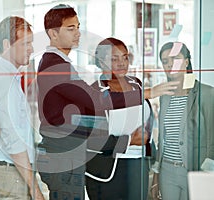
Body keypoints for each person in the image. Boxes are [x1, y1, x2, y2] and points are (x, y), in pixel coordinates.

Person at [36, 4, 179, 200]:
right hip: (70, 158)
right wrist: (148, 93)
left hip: (83, 158)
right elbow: (92, 102)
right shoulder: (56, 65)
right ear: (52, 33)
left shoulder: (62, 63)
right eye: (71, 29)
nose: (78, 33)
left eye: (78, 27)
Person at [85, 37, 155, 200]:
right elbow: (92, 140)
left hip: (138, 165)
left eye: (125, 57)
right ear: (102, 62)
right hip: (108, 171)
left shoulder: (136, 84)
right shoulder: (94, 92)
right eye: (114, 59)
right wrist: (130, 140)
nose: (122, 63)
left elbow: (147, 114)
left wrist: (146, 135)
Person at [0, 16, 45, 200]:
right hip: (11, 175)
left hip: (11, 172)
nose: (31, 49)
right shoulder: (5, 80)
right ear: (6, 44)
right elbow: (12, 137)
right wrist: (35, 189)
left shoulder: (8, 75)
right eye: (25, 43)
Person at [150, 42, 214, 200]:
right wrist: (157, 173)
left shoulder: (206, 93)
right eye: (165, 61)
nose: (170, 64)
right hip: (167, 171)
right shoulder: (164, 96)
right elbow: (162, 139)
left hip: (195, 170)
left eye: (175, 59)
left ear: (186, 61)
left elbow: (213, 137)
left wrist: (206, 172)